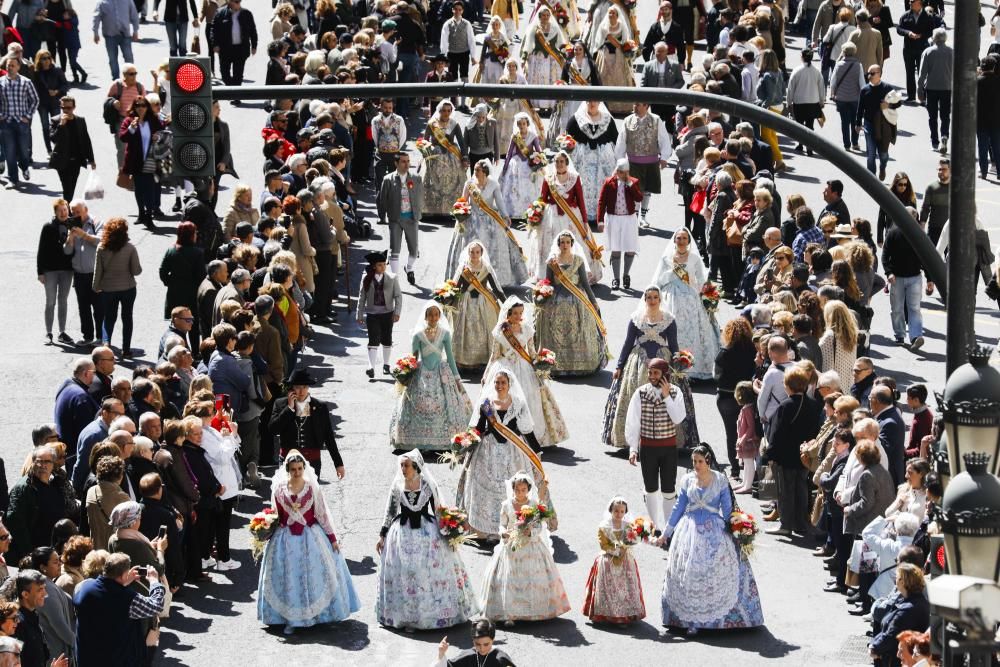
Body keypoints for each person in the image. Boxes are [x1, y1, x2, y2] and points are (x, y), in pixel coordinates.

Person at [659, 445, 764, 633]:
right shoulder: (687, 480)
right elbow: (678, 508)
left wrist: (737, 529)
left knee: (719, 570)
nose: (696, 465)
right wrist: (666, 533)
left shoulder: (720, 480)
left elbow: (727, 510)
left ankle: (721, 620)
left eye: (700, 461)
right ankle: (690, 621)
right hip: (689, 532)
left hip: (714, 531)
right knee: (689, 573)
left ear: (708, 461)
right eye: (694, 461)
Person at [376, 450, 480, 630]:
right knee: (406, 572)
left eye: (406, 465)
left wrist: (450, 533)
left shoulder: (426, 485)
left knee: (428, 572)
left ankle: (435, 614)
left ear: (415, 466)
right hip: (402, 534)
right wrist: (382, 535)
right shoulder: (397, 486)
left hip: (427, 533)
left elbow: (439, 510)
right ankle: (408, 617)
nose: (403, 469)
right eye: (401, 465)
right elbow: (390, 512)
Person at [257, 450, 359, 634]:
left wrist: (333, 539)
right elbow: (275, 514)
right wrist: (264, 529)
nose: (297, 472)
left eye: (300, 469)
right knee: (289, 578)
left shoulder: (311, 488)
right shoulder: (279, 489)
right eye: (293, 469)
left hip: (310, 537)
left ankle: (315, 615)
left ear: (304, 468)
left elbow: (322, 515)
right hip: (285, 539)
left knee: (313, 576)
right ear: (287, 469)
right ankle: (290, 619)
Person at [457, 365, 548, 538]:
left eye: (503, 382)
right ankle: (486, 531)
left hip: (513, 451)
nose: (500, 385)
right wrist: (466, 442)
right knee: (484, 488)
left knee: (514, 489)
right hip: (487, 450)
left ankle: (514, 528)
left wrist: (537, 451)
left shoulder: (518, 403)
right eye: (497, 382)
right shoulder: (486, 404)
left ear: (509, 383)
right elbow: (479, 428)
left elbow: (526, 430)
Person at [480, 471, 569, 624]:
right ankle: (509, 613)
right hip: (511, 545)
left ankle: (534, 611)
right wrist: (503, 533)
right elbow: (502, 524)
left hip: (531, 545)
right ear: (513, 489)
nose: (520, 493)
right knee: (509, 578)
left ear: (528, 489)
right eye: (517, 490)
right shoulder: (506, 505)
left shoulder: (534, 505)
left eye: (523, 490)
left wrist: (531, 531)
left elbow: (539, 527)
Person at [602, 286, 684, 449]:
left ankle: (662, 437)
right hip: (638, 361)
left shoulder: (669, 319)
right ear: (645, 299)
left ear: (660, 300)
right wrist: (619, 366)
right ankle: (632, 440)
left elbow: (674, 345)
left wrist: (679, 364)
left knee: (664, 397)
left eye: (655, 297)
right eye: (649, 298)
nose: (652, 301)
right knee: (634, 398)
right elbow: (627, 343)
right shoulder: (636, 319)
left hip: (662, 360)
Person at [484, 296, 568, 448]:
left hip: (524, 368)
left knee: (530, 399)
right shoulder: (500, 331)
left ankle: (531, 437)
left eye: (520, 313)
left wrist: (543, 361)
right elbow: (494, 354)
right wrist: (487, 373)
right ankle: (506, 433)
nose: (519, 316)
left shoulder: (527, 329)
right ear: (508, 314)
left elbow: (532, 353)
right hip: (505, 368)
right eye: (515, 313)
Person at [389, 301, 472, 450]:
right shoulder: (418, 335)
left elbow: (451, 358)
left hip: (441, 372)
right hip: (422, 374)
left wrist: (457, 378)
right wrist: (405, 374)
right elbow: (413, 358)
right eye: (430, 315)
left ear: (439, 316)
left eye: (436, 314)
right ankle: (415, 440)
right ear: (425, 316)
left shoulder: (445, 334)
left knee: (443, 403)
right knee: (418, 402)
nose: (433, 318)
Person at [651, 228, 721, 380]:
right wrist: (671, 275)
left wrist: (709, 298)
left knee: (693, 330)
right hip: (671, 298)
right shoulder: (666, 259)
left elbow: (701, 280)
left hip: (691, 299)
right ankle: (670, 367)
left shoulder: (695, 258)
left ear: (688, 241)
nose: (681, 241)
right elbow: (658, 281)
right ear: (674, 240)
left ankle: (690, 368)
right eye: (678, 238)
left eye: (684, 238)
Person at [73, 552, 166, 667]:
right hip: (115, 660)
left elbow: (106, 596)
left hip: (87, 658)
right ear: (122, 575)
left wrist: (124, 582)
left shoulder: (83, 587)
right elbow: (156, 606)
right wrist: (154, 582)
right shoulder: (128, 599)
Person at [625, 357, 687, 530]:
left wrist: (667, 397)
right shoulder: (640, 393)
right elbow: (633, 421)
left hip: (668, 448)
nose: (652, 376)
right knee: (650, 488)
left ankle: (668, 528)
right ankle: (655, 526)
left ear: (664, 374)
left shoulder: (676, 392)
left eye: (656, 373)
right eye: (650, 372)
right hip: (648, 448)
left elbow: (678, 418)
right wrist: (633, 448)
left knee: (668, 490)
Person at [445, 160, 528, 288]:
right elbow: (463, 201)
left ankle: (493, 279)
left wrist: (505, 216)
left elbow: (500, 202)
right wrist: (460, 212)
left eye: (477, 170)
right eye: (474, 170)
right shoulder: (469, 184)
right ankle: (467, 276)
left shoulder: (494, 184)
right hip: (472, 220)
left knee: (495, 247)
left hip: (490, 220)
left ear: (484, 172)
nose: (475, 172)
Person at [534, 231, 607, 375]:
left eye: (568, 242)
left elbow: (585, 284)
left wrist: (593, 302)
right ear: (558, 244)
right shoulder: (552, 262)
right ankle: (555, 364)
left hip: (577, 300)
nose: (565, 245)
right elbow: (548, 282)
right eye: (562, 242)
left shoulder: (578, 260)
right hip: (556, 301)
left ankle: (580, 364)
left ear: (572, 244)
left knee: (578, 330)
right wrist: (542, 294)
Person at [762, 366, 822, 536]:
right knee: (801, 489)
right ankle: (801, 523)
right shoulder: (813, 405)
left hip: (786, 456)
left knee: (785, 491)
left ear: (788, 385)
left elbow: (777, 434)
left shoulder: (785, 406)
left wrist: (770, 455)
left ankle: (786, 524)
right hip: (804, 456)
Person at [537, 151, 602, 283]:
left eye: (562, 162)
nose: (559, 164)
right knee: (552, 244)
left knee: (575, 244)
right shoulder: (548, 178)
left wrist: (584, 221)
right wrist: (536, 216)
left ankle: (578, 276)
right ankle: (552, 276)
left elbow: (581, 202)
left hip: (572, 217)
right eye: (557, 162)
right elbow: (542, 200)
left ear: (567, 163)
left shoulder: (575, 177)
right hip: (552, 218)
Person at [268, 369, 345, 480]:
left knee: (309, 496)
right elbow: (273, 429)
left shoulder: (320, 406)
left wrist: (338, 464)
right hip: (288, 460)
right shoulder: (280, 404)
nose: (301, 391)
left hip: (312, 462)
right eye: (298, 387)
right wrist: (289, 408)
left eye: (304, 387)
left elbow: (328, 436)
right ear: (292, 388)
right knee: (289, 495)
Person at [582, 496, 646, 624]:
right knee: (607, 579)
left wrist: (625, 549)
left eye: (622, 511)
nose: (619, 514)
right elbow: (603, 545)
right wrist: (617, 552)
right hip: (608, 556)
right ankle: (604, 614)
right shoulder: (604, 526)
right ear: (611, 510)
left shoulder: (628, 526)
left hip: (625, 558)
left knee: (626, 585)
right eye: (616, 511)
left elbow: (632, 540)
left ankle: (624, 615)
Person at [6, 446, 71, 564]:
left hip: (52, 551)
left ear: (53, 464)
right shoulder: (24, 488)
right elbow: (14, 521)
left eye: (47, 461)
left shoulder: (56, 483)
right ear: (33, 462)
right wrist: (29, 554)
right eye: (39, 461)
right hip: (34, 553)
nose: (43, 465)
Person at [449, 241, 506, 370]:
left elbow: (496, 287)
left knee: (485, 329)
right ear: (468, 253)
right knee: (465, 330)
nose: (474, 254)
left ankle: (484, 360)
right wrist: (448, 301)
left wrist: (506, 302)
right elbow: (456, 287)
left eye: (477, 252)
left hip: (484, 302)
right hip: (465, 303)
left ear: (481, 253)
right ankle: (463, 361)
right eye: (472, 252)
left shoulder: (486, 267)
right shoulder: (463, 268)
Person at [881, 208, 932, 349]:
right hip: (896, 278)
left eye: (914, 217)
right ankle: (899, 335)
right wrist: (888, 273)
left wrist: (930, 279)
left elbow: (926, 259)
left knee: (914, 308)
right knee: (897, 308)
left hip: (915, 277)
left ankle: (915, 336)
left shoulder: (921, 236)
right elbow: (885, 256)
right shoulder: (893, 233)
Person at [614, 103, 671, 227]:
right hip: (633, 162)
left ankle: (643, 217)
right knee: (635, 191)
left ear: (646, 106)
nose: (634, 107)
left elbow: (664, 139)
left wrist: (664, 157)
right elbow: (622, 140)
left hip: (651, 162)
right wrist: (620, 160)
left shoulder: (656, 120)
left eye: (638, 105)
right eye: (634, 104)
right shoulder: (627, 120)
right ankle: (634, 216)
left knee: (647, 190)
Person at [93, 217, 142, 357]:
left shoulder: (101, 247)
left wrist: (96, 286)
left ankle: (106, 343)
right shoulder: (130, 248)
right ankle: (126, 349)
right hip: (128, 288)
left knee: (109, 317)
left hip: (108, 289)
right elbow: (136, 271)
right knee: (127, 318)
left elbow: (98, 271)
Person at [566, 101, 617, 225]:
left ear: (599, 102)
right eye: (589, 100)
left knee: (603, 187)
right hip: (582, 164)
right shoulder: (576, 119)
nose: (592, 103)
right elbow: (567, 140)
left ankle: (602, 216)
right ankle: (582, 215)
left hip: (603, 163)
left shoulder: (607, 120)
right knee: (583, 187)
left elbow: (616, 139)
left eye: (594, 100)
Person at [868, 564, 930, 664]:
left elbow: (892, 634)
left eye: (896, 578)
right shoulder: (907, 601)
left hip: (899, 660)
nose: (895, 581)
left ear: (903, 581)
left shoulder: (908, 609)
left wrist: (874, 648)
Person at [118, 94, 164, 226]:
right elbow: (123, 137)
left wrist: (158, 137)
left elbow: (163, 132)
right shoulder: (129, 120)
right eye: (138, 105)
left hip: (151, 160)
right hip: (136, 161)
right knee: (139, 189)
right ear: (134, 107)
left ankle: (149, 216)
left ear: (147, 107)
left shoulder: (153, 120)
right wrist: (131, 128)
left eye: (143, 105)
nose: (141, 108)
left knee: (149, 189)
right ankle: (141, 213)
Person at [356, 250, 403, 378]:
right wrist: (359, 314)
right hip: (372, 314)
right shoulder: (366, 279)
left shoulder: (392, 278)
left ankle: (386, 365)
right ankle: (371, 367)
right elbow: (362, 297)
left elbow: (398, 296)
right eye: (380, 265)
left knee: (387, 338)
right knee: (373, 338)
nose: (383, 267)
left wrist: (397, 312)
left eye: (384, 264)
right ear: (374, 266)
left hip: (388, 313)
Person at [376, 152, 422, 282]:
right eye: (403, 161)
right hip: (395, 219)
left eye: (408, 161)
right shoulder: (388, 179)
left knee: (414, 250)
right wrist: (383, 215)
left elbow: (420, 197)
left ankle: (409, 268)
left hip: (411, 219)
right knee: (394, 249)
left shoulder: (416, 178)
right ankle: (394, 279)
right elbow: (382, 199)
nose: (407, 164)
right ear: (396, 163)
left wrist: (418, 214)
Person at [597, 159, 643, 290]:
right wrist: (600, 221)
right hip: (613, 219)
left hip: (629, 219)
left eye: (626, 172)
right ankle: (616, 278)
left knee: (630, 248)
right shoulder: (608, 182)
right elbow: (601, 202)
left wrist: (630, 184)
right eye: (621, 172)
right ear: (617, 171)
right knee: (615, 249)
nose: (623, 175)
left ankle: (626, 275)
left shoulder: (633, 182)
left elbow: (639, 198)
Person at [36, 198, 76, 346]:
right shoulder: (48, 227)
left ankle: (62, 332)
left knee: (63, 301)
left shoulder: (73, 226)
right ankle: (49, 332)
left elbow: (77, 249)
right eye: (60, 211)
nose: (63, 213)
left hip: (67, 270)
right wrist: (40, 272)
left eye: (65, 210)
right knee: (50, 301)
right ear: (55, 212)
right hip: (50, 270)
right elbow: (41, 250)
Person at [420, 100, 468, 218]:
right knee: (433, 181)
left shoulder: (454, 124)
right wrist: (426, 152)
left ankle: (450, 210)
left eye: (448, 110)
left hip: (452, 156)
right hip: (435, 157)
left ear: (451, 111)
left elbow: (461, 142)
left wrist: (465, 157)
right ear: (439, 111)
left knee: (454, 182)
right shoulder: (432, 124)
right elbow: (424, 141)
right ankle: (432, 210)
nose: (446, 113)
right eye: (443, 111)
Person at [0, 57, 38, 190]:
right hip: (6, 123)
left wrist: (27, 116)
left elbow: (35, 100)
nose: (10, 67)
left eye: (12, 65)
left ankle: (25, 166)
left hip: (22, 123)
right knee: (9, 152)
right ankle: (13, 179)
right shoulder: (1, 82)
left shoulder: (26, 82)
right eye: (8, 65)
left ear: (18, 67)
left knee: (23, 151)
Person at [520, 7, 568, 111]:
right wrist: (524, 58)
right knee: (539, 81)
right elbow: (528, 44)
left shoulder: (555, 29)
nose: (545, 17)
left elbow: (561, 44)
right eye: (543, 15)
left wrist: (564, 54)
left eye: (547, 15)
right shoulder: (535, 29)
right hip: (538, 59)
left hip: (552, 60)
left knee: (551, 81)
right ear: (539, 16)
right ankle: (539, 105)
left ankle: (551, 105)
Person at [48, 96, 95, 200]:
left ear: (74, 107)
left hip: (76, 161)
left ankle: (66, 209)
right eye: (63, 108)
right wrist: (61, 125)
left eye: (68, 108)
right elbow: (53, 139)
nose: (66, 110)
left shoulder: (80, 121)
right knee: (67, 187)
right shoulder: (55, 120)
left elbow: (86, 140)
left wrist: (91, 159)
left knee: (72, 187)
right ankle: (67, 212)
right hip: (62, 160)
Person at [499, 112, 543, 225]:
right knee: (514, 186)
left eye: (524, 123)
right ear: (517, 125)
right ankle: (514, 210)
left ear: (527, 124)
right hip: (517, 163)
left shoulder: (533, 136)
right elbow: (509, 153)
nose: (522, 126)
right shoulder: (515, 137)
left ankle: (531, 211)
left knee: (530, 187)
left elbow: (538, 150)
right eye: (520, 124)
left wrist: (540, 162)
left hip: (529, 163)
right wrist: (505, 167)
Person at [593, 6, 635, 114]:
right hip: (606, 54)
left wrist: (626, 48)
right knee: (604, 76)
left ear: (617, 15)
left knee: (620, 77)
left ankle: (622, 106)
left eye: (613, 13)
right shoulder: (604, 26)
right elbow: (599, 42)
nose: (611, 15)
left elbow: (625, 40)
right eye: (609, 13)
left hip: (619, 55)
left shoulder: (621, 25)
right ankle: (606, 107)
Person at [916, 28, 951, 153]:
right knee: (945, 115)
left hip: (931, 88)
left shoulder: (928, 52)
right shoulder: (952, 52)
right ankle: (944, 135)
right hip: (947, 88)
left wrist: (919, 90)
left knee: (932, 116)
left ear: (934, 38)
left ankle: (934, 141)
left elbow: (922, 74)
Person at [786, 49, 825, 156]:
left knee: (800, 125)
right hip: (813, 102)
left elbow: (790, 88)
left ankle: (800, 144)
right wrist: (822, 100)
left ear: (802, 56)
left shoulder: (797, 70)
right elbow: (821, 87)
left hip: (799, 102)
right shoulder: (816, 71)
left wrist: (789, 102)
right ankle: (810, 146)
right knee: (810, 125)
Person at [211, 0, 257, 88]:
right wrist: (215, 44)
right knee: (224, 74)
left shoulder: (246, 14)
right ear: (230, 2)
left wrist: (254, 46)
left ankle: (236, 96)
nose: (239, 4)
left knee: (238, 75)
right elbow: (214, 30)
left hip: (241, 49)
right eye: (236, 2)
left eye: (239, 2)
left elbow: (253, 31)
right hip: (225, 49)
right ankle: (231, 89)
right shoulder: (220, 13)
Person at [432, 619, 516, 667]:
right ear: (473, 640)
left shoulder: (501, 659)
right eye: (478, 644)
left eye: (486, 644)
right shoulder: (468, 655)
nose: (482, 649)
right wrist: (441, 654)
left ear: (493, 640)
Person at [829, 43, 865, 151]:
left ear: (844, 52)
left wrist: (832, 94)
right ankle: (855, 143)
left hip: (841, 98)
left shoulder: (838, 65)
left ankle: (847, 145)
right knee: (855, 121)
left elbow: (833, 82)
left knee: (844, 122)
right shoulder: (858, 65)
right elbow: (862, 84)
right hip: (855, 99)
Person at [91, 0, 139, 79]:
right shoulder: (102, 3)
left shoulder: (127, 1)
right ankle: (116, 79)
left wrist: (135, 31)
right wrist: (95, 32)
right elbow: (96, 17)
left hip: (125, 35)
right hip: (110, 35)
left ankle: (131, 78)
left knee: (129, 57)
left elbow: (134, 15)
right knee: (112, 59)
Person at [895, 0, 930, 102]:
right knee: (909, 73)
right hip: (908, 49)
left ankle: (922, 97)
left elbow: (931, 30)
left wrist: (921, 35)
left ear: (919, 2)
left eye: (912, 1)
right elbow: (899, 29)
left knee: (921, 73)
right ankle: (911, 96)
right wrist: (908, 33)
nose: (910, 3)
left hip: (921, 48)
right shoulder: (906, 15)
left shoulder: (927, 16)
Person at [819, 300, 858, 384]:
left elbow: (826, 366)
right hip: (848, 382)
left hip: (834, 385)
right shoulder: (852, 333)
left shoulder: (829, 337)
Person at [918, 158, 950, 245]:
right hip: (934, 229)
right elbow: (925, 208)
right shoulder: (931, 188)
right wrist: (922, 225)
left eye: (944, 169)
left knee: (951, 258)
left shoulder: (956, 188)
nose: (941, 172)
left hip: (951, 229)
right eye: (939, 169)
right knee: (932, 257)